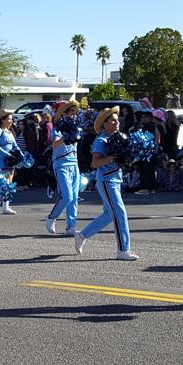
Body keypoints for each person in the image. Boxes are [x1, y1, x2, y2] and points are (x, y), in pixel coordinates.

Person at [74, 107, 139, 261]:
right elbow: (95, 163)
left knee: (110, 215)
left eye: (117, 120)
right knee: (120, 213)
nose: (117, 123)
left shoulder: (119, 138)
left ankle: (82, 235)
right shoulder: (100, 140)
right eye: (113, 121)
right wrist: (112, 156)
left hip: (116, 179)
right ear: (104, 124)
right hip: (106, 181)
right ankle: (123, 250)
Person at [45, 101, 81, 235]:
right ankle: (51, 217)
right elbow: (55, 145)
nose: (74, 115)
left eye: (75, 113)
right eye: (71, 112)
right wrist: (65, 137)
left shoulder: (76, 128)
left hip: (74, 164)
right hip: (61, 164)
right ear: (64, 114)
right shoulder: (58, 128)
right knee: (67, 196)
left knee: (74, 198)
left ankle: (71, 227)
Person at [0, 109, 21, 214]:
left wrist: (21, 155)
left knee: (8, 184)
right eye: (9, 119)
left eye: (11, 119)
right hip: (0, 160)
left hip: (10, 161)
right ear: (2, 120)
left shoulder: (9, 131)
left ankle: (5, 207)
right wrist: (9, 155)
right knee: (2, 184)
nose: (11, 121)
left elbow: (15, 146)